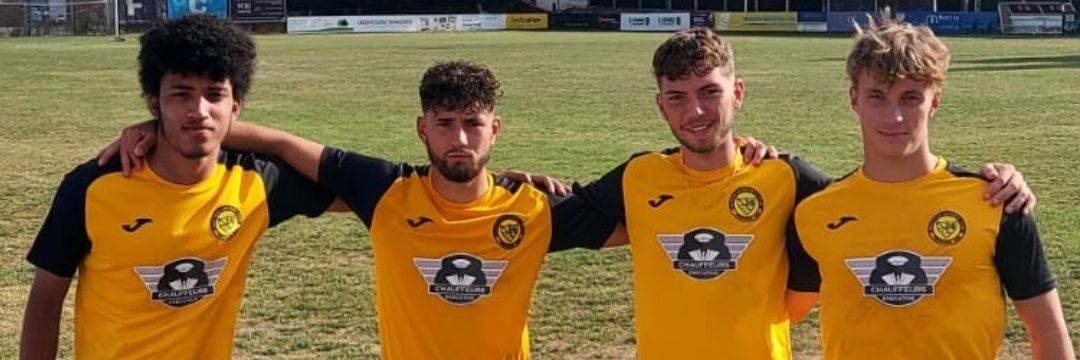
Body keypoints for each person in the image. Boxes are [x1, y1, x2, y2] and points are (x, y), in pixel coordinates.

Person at [571, 27, 1036, 359]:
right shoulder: (639, 177)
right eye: (677, 97)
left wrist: (1001, 182)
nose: (695, 110)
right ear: (661, 105)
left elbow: (874, 204)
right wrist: (513, 183)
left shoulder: (789, 179)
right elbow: (561, 218)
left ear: (737, 93)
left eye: (709, 92)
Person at [20, 14, 334, 359]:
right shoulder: (93, 186)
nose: (198, 110)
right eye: (181, 95)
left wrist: (275, 142)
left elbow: (362, 189)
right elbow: (44, 304)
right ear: (155, 103)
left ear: (236, 107)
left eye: (214, 94)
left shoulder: (255, 182)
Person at [789, 11, 1074, 360]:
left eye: (911, 98)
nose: (893, 117)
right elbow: (771, 308)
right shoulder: (816, 213)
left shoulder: (995, 201)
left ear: (935, 101)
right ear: (854, 100)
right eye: (877, 96)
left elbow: (1047, 330)